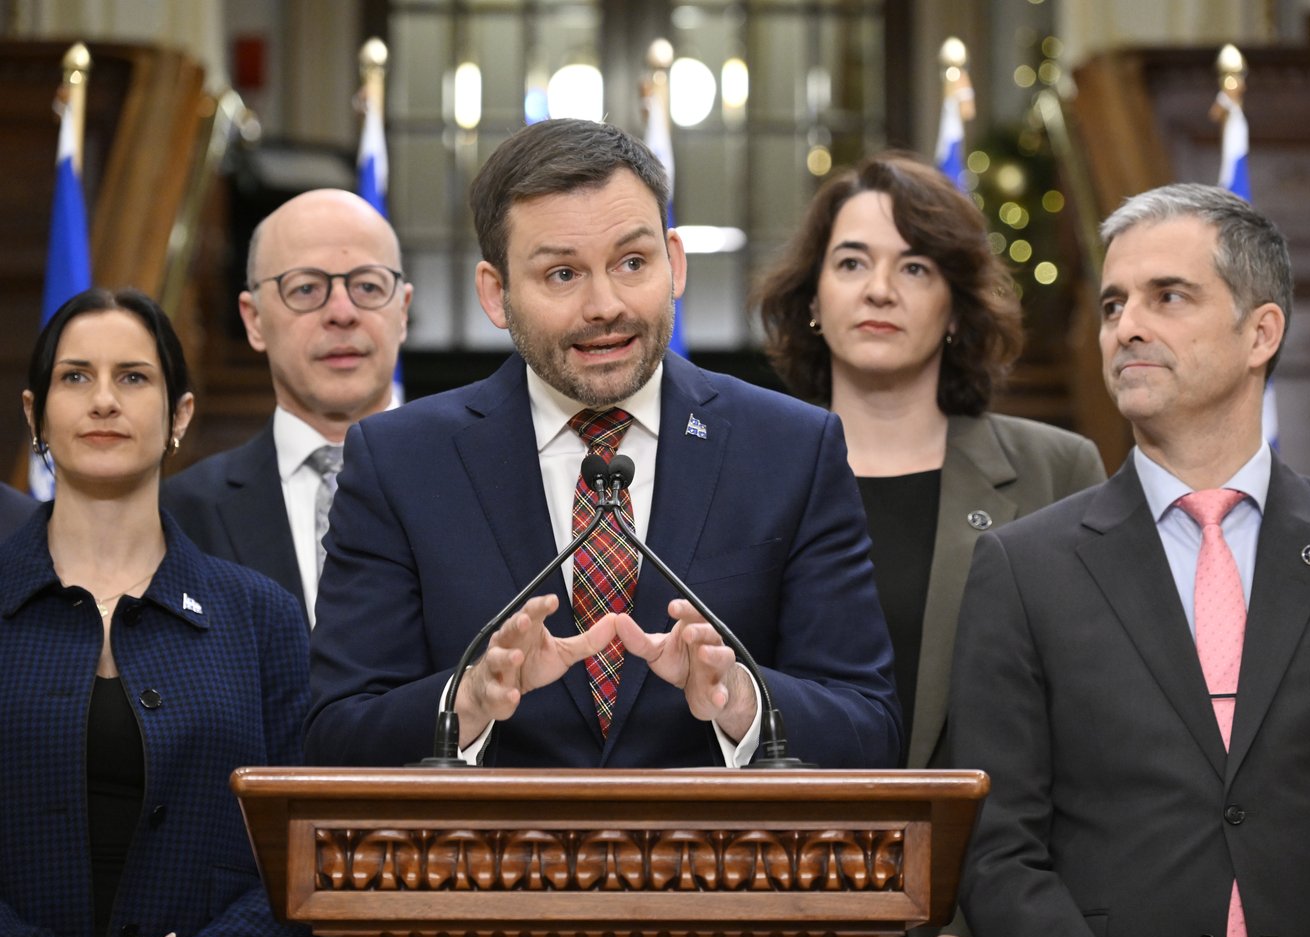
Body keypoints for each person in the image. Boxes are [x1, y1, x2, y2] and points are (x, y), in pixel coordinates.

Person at [304, 118, 901, 770]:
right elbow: (335, 734)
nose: (605, 304)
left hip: (721, 863)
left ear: (674, 263)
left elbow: (868, 726)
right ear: (496, 294)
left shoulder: (791, 448)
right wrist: (468, 699)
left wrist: (742, 699)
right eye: (562, 273)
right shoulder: (399, 463)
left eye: (632, 262)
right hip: (489, 863)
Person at [950, 184, 1310, 937]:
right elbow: (999, 853)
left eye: (1169, 296)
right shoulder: (1025, 570)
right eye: (1115, 303)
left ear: (1261, 333)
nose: (1128, 326)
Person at [756, 151, 1105, 937]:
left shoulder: (1061, 471)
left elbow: (1093, 740)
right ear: (812, 300)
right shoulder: (742, 477)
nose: (880, 289)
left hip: (1000, 934)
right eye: (852, 263)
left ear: (954, 305)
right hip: (788, 931)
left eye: (914, 266)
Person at [0, 288, 349, 937]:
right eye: (76, 377)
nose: (104, 400)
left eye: (133, 377)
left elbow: (310, 853)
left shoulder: (262, 615)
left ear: (179, 413)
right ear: (35, 414)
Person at [163, 188, 411, 627]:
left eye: (368, 286)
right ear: (254, 319)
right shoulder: (181, 514)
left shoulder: (484, 483)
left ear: (403, 310)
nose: (341, 312)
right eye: (306, 288)